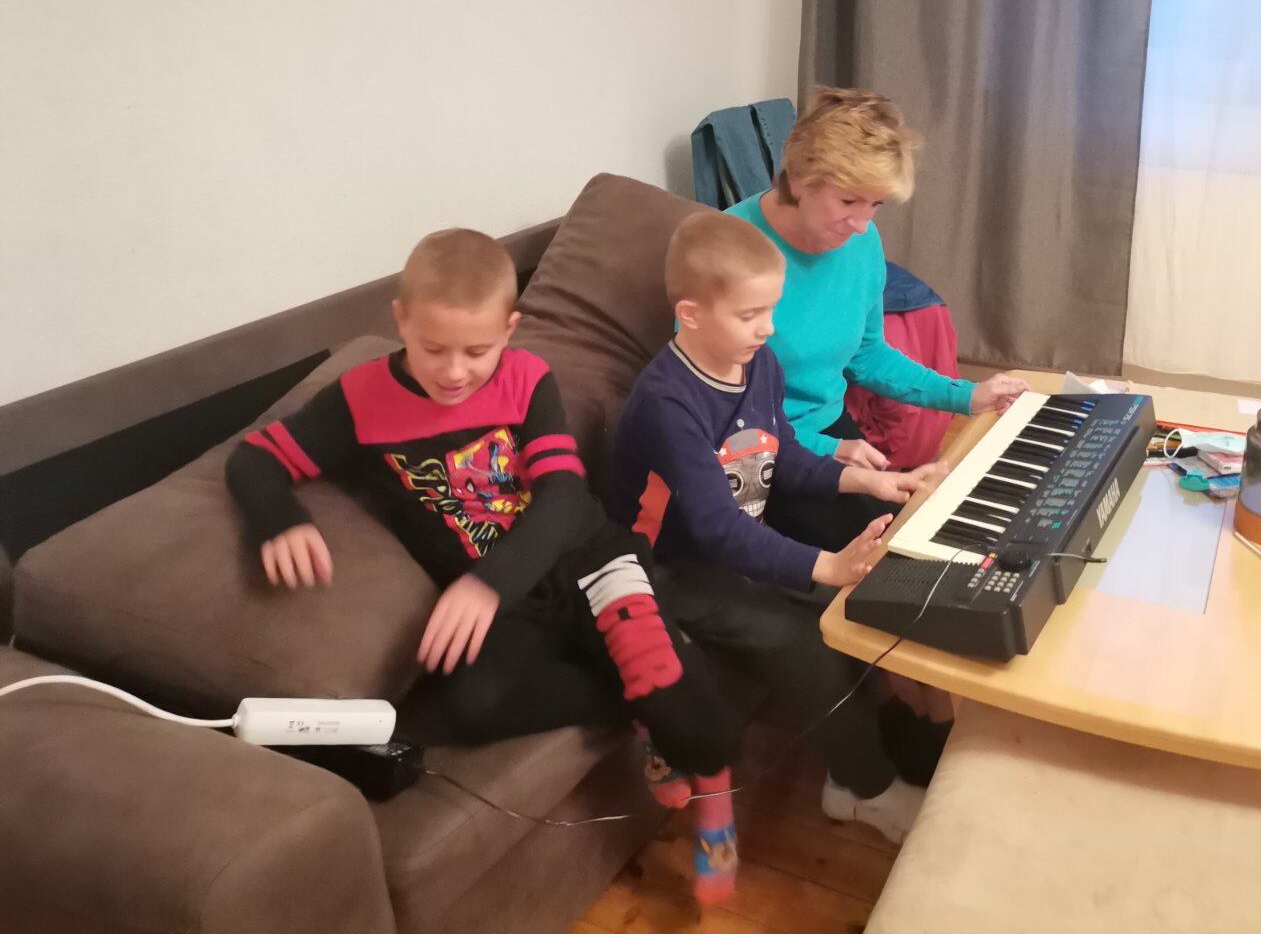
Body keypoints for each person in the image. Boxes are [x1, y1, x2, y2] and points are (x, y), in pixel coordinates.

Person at [224, 228, 742, 904]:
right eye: (433, 348)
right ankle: (640, 704)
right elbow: (255, 458)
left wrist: (484, 585)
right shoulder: (358, 402)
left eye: (478, 350)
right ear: (401, 319)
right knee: (468, 706)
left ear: (511, 328)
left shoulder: (528, 379)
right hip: (506, 602)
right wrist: (279, 519)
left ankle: (713, 799)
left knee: (656, 664)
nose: (456, 371)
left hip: (585, 555)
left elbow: (560, 496)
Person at [609, 211, 942, 843]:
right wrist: (824, 565)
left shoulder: (757, 362)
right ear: (691, 313)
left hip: (732, 544)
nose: (768, 328)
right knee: (801, 634)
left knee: (860, 599)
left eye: (771, 310)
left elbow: (779, 451)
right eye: (749, 315)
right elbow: (712, 529)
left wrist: (866, 480)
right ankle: (863, 789)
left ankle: (870, 746)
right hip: (664, 571)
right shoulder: (667, 404)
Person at [726, 86, 1029, 552]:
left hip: (829, 429)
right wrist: (828, 453)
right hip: (758, 451)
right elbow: (717, 408)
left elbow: (867, 355)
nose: (863, 224)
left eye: (875, 205)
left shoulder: (860, 243)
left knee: (921, 534)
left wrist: (968, 396)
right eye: (849, 202)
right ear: (801, 178)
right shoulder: (729, 248)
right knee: (886, 555)